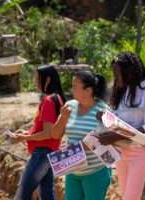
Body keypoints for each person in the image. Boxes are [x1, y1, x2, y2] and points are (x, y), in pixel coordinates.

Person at [50, 70, 111, 200]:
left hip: (95, 172)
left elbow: (105, 139)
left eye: (75, 86)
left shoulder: (103, 111)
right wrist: (63, 118)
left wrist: (75, 150)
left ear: (88, 90)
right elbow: (55, 135)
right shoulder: (69, 106)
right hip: (72, 171)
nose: (71, 89)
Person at [108, 52, 145, 200]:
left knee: (130, 197)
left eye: (118, 73)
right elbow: (113, 119)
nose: (116, 77)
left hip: (140, 153)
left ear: (130, 72)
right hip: (120, 150)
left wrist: (117, 134)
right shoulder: (121, 91)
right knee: (125, 195)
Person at [13, 65, 66, 200]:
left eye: (37, 78)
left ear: (47, 80)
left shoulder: (48, 100)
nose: (35, 81)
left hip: (42, 154)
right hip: (51, 153)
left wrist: (25, 137)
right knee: (46, 194)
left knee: (23, 192)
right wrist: (27, 132)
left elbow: (48, 132)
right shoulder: (58, 98)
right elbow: (48, 129)